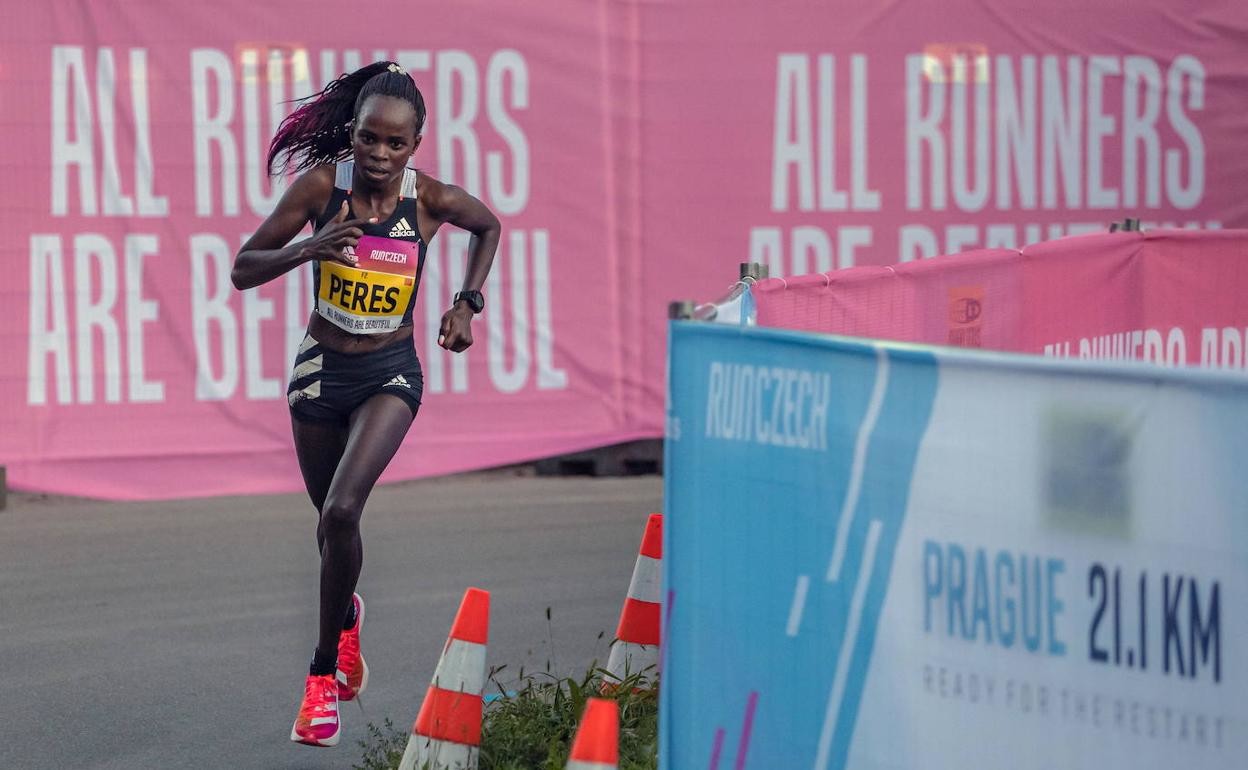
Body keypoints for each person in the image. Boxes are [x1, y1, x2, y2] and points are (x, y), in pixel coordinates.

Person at [231, 61, 500, 748]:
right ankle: (346, 616)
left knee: (344, 510)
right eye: (368, 139)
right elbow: (242, 269)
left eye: (395, 143)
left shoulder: (430, 200)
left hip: (389, 373)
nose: (380, 154)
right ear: (351, 133)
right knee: (330, 531)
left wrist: (467, 303)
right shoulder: (322, 189)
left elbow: (488, 226)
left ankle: (321, 679)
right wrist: (309, 248)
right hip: (321, 374)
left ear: (415, 145)